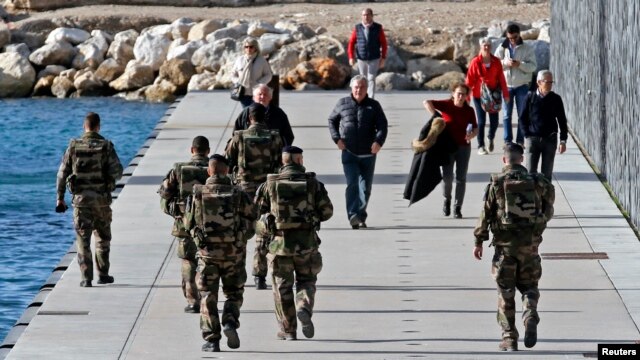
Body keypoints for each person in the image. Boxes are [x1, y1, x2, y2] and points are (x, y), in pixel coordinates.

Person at [473, 143, 555, 351]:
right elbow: (550, 204)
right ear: (521, 159)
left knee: (505, 291)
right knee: (529, 287)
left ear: (504, 160)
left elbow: (486, 214)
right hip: (530, 247)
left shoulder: (497, 183)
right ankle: (530, 313)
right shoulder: (537, 181)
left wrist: (479, 241)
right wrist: (540, 225)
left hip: (505, 249)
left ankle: (509, 337)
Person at [255, 146, 333, 341]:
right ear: (299, 160)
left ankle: (288, 330)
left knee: (282, 288)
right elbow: (327, 212)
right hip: (307, 244)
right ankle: (304, 306)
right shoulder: (313, 183)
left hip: (279, 246)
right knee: (307, 280)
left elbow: (256, 212)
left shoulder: (269, 184)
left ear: (283, 161)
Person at [185, 154, 257, 352]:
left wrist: (199, 239)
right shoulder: (238, 192)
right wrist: (241, 238)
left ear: (209, 171)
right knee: (234, 293)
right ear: (226, 171)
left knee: (208, 295)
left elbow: (188, 223)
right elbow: (253, 218)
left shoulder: (197, 193)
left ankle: (212, 339)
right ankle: (230, 322)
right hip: (234, 254)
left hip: (207, 255)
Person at [56, 112, 123, 287]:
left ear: (84, 126)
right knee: (102, 237)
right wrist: (108, 182)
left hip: (80, 202)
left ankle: (86, 278)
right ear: (98, 126)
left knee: (83, 240)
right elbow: (118, 171)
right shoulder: (106, 146)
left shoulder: (73, 146)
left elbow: (62, 174)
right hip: (101, 200)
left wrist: (60, 198)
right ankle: (103, 274)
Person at [226, 103, 284, 290]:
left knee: (241, 231)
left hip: (244, 191)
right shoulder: (275, 137)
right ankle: (259, 275)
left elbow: (228, 159)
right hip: (266, 190)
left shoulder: (239, 137)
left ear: (249, 118)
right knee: (262, 230)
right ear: (263, 118)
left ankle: (238, 274)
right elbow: (280, 163)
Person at [157, 136, 210, 313]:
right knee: (208, 261)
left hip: (185, 225)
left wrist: (175, 212)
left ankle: (192, 301)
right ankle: (208, 297)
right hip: (211, 225)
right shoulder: (217, 168)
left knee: (188, 261)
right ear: (208, 151)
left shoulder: (178, 170)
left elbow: (164, 194)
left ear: (192, 150)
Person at [328, 75, 388, 229]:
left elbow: (382, 126)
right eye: (356, 87)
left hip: (368, 154)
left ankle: (361, 215)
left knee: (366, 188)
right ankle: (353, 215)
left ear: (366, 89)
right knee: (352, 184)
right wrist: (337, 139)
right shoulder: (342, 103)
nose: (358, 90)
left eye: (362, 87)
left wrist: (378, 142)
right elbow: (332, 121)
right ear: (351, 88)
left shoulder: (374, 106)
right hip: (349, 152)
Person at [424, 82, 478, 219]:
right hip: (447, 147)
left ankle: (457, 207)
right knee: (447, 177)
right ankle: (447, 199)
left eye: (463, 94)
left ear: (466, 96)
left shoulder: (469, 110)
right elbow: (426, 102)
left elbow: (476, 128)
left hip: (464, 147)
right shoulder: (447, 105)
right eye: (458, 93)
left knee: (461, 178)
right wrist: (435, 115)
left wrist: (472, 134)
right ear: (453, 93)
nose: (460, 96)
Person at [520, 70, 568, 180]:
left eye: (552, 82)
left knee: (547, 174)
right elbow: (522, 118)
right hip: (533, 139)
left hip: (550, 140)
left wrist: (563, 140)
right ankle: (532, 197)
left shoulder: (556, 99)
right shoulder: (530, 97)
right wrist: (526, 134)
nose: (550, 85)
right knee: (530, 173)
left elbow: (562, 121)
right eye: (547, 82)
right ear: (539, 82)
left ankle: (545, 197)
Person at [495, 24, 537, 146]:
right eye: (510, 38)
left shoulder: (527, 48)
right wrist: (505, 63)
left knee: (522, 114)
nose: (512, 40)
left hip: (522, 85)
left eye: (514, 37)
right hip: (506, 85)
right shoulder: (502, 47)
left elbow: (533, 67)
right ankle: (507, 141)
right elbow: (495, 65)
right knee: (507, 115)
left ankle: (520, 141)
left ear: (519, 34)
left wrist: (520, 64)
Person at [466, 36, 509, 155]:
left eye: (488, 45)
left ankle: (490, 137)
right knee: (481, 121)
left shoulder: (496, 62)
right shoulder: (475, 62)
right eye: (484, 45)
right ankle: (481, 146)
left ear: (491, 47)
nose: (486, 47)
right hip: (478, 95)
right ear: (480, 47)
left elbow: (501, 79)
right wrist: (467, 97)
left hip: (494, 95)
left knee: (494, 122)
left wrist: (506, 94)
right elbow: (469, 81)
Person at [347, 8, 388, 98]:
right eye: (364, 15)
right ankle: (363, 97)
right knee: (363, 78)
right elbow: (351, 43)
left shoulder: (378, 27)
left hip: (374, 57)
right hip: (361, 58)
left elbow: (384, 43)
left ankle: (371, 98)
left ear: (372, 16)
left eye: (367, 15)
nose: (365, 17)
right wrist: (351, 57)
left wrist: (383, 58)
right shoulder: (357, 28)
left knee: (371, 78)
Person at [231, 37, 273, 108]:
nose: (248, 49)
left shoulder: (261, 60)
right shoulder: (239, 60)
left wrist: (259, 83)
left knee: (257, 114)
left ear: (255, 48)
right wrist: (238, 81)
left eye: (251, 47)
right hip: (243, 93)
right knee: (247, 114)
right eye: (246, 47)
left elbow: (268, 75)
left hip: (257, 94)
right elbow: (233, 74)